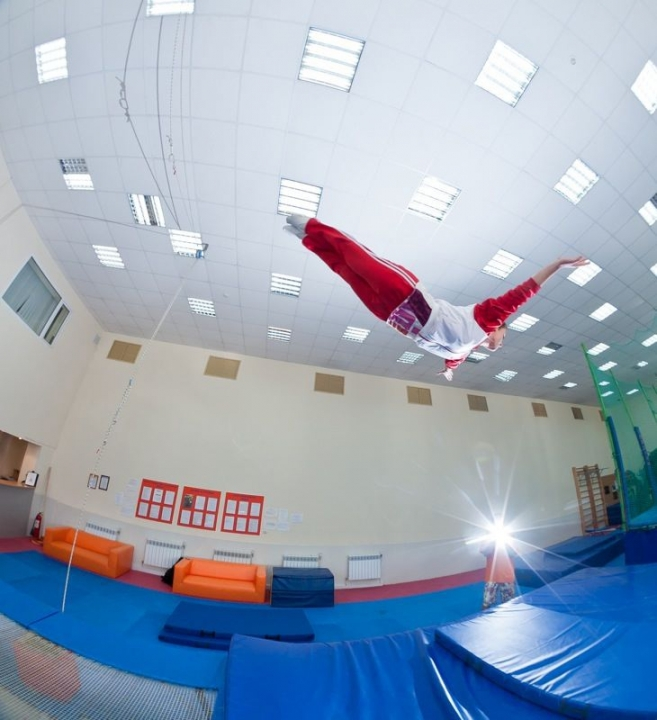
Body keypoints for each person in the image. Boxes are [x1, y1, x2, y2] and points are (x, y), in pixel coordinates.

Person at [285, 215, 588, 380]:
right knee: (358, 258)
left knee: (346, 272)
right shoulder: (487, 318)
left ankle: (309, 240)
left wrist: (448, 371)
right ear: (498, 327)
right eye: (503, 337)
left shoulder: (463, 352)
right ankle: (313, 226)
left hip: (392, 317)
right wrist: (557, 265)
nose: (501, 344)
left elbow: (454, 360)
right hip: (407, 295)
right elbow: (525, 292)